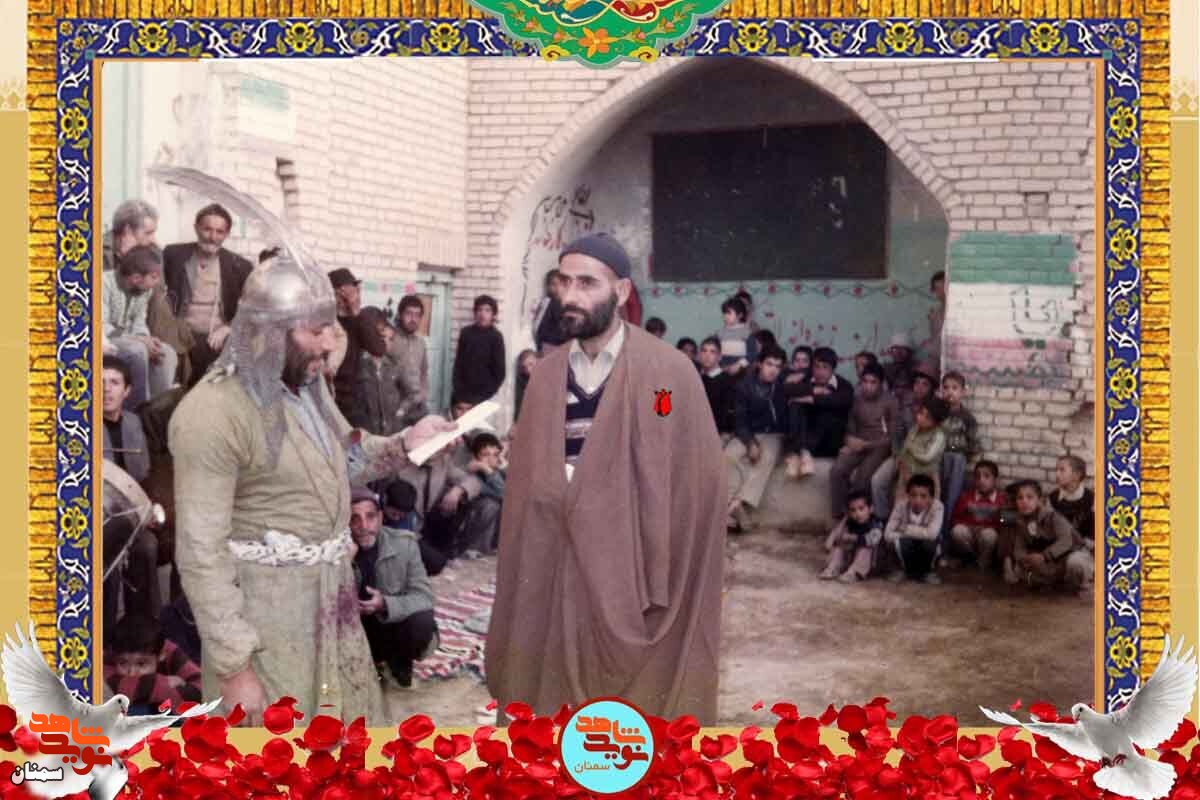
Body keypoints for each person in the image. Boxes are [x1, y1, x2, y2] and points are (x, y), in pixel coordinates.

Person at [170, 245, 456, 726]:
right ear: (267, 330)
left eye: (331, 328)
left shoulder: (307, 384)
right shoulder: (211, 414)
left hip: (332, 606)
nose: (329, 344)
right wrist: (235, 665)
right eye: (315, 329)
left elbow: (343, 458)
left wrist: (406, 443)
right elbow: (201, 552)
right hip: (265, 622)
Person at [487, 232, 726, 724]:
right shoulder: (546, 376)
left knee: (632, 710)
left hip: (630, 562)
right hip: (555, 559)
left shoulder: (666, 375)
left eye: (587, 283)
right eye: (564, 282)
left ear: (621, 291)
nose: (571, 296)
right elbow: (528, 481)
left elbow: (685, 465)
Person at [349, 488, 438, 690]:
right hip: (353, 632)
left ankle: (396, 662)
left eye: (370, 517)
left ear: (380, 517)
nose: (364, 526)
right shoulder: (334, 552)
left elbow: (424, 597)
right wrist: (345, 562)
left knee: (421, 620)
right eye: (354, 519)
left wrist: (384, 604)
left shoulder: (403, 544)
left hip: (389, 627)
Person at [162, 204, 254, 385]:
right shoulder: (173, 255)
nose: (212, 237)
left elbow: (251, 308)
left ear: (227, 234)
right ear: (196, 228)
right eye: (207, 229)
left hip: (215, 337)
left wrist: (228, 328)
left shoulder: (240, 266)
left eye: (220, 232)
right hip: (179, 333)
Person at [102, 245, 180, 409]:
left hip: (131, 339)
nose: (157, 282)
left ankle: (157, 410)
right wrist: (138, 340)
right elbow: (100, 325)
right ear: (136, 278)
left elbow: (139, 321)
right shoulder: (103, 283)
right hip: (104, 340)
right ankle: (137, 410)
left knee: (167, 353)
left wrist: (147, 339)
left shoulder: (144, 290)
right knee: (137, 351)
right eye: (154, 277)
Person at [725, 345, 789, 532]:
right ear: (759, 364)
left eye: (778, 366)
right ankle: (729, 506)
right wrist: (750, 443)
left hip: (773, 434)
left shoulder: (782, 386)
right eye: (769, 364)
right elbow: (740, 419)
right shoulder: (744, 387)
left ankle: (737, 503)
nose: (773, 370)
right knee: (728, 455)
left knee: (766, 457)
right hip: (748, 432)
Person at [828, 364, 897, 517]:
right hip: (858, 445)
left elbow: (892, 438)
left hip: (879, 447)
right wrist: (849, 440)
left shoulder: (890, 402)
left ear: (881, 383)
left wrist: (867, 445)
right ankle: (840, 515)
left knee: (862, 477)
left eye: (873, 382)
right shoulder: (857, 399)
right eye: (865, 381)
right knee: (836, 471)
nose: (868, 386)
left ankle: (860, 519)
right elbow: (849, 427)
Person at [1003, 480, 1093, 597]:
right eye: (1020, 498)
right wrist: (1024, 559)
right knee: (1021, 571)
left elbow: (1066, 541)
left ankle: (1087, 586)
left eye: (1030, 497)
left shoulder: (1052, 516)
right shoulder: (1021, 520)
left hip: (1073, 552)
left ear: (1039, 500)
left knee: (1075, 563)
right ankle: (1055, 584)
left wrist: (1044, 556)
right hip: (1052, 559)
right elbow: (1020, 546)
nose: (1024, 501)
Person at [104, 613, 203, 715]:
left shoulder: (167, 650)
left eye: (141, 664)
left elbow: (200, 690)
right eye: (123, 663)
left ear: (161, 655)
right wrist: (163, 684)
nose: (131, 673)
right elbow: (110, 688)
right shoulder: (108, 656)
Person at [782, 347, 854, 479]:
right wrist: (813, 390)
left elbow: (841, 400)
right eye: (816, 366)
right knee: (795, 405)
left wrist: (810, 399)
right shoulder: (807, 379)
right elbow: (786, 389)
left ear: (833, 369)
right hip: (807, 436)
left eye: (825, 367)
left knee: (827, 411)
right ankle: (802, 452)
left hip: (830, 441)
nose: (820, 372)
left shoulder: (844, 385)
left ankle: (799, 452)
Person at [348, 307, 406, 437]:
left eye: (391, 339)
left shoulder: (393, 367)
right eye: (382, 336)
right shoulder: (357, 365)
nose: (386, 342)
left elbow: (399, 402)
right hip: (367, 437)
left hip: (390, 436)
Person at [883, 474, 945, 584]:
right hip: (907, 545)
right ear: (907, 495)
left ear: (931, 498)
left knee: (931, 543)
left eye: (923, 496)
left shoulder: (937, 507)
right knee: (896, 543)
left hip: (926, 546)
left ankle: (927, 572)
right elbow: (887, 534)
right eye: (913, 495)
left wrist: (905, 529)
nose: (917, 500)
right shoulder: (901, 506)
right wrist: (915, 534)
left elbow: (932, 534)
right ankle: (904, 570)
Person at [947, 460, 1005, 570]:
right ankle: (969, 558)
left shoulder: (1001, 500)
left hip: (987, 539)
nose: (981, 480)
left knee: (989, 535)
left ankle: (984, 562)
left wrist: (997, 518)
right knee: (958, 531)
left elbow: (1005, 523)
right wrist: (970, 526)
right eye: (978, 476)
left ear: (995, 480)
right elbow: (955, 519)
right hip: (970, 538)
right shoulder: (966, 497)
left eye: (986, 476)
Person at [101, 356, 150, 483]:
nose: (106, 389)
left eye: (114, 382)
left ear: (127, 391)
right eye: (99, 382)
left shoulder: (134, 422)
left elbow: (143, 473)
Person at [452, 295, 507, 406]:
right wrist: (459, 390)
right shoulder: (466, 333)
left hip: (484, 396)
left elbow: (500, 372)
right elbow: (458, 364)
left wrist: (486, 394)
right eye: (479, 310)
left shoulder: (496, 337)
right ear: (475, 313)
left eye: (487, 310)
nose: (483, 314)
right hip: (463, 394)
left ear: (493, 314)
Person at [819, 490, 883, 583]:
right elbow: (835, 537)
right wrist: (845, 520)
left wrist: (853, 538)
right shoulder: (850, 522)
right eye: (853, 510)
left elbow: (873, 540)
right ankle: (833, 568)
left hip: (871, 561)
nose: (857, 513)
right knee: (839, 547)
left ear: (871, 508)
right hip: (853, 557)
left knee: (865, 548)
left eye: (861, 508)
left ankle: (854, 573)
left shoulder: (875, 523)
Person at [329, 267, 364, 418]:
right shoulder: (327, 322)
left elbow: (377, 348)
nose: (353, 296)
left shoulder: (357, 320)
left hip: (353, 399)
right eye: (347, 292)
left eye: (354, 290)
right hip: (331, 396)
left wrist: (355, 310)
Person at [391, 295, 430, 425]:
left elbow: (424, 372)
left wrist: (423, 395)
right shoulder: (390, 340)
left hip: (419, 408)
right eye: (409, 313)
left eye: (417, 315)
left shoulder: (421, 342)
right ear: (400, 314)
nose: (413, 319)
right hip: (397, 409)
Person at [1049, 455, 1095, 551]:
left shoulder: (1092, 499)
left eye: (1062, 470)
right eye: (1056, 470)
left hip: (1085, 549)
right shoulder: (1053, 498)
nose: (1057, 474)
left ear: (1076, 475)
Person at [697, 337, 736, 439]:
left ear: (719, 357)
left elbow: (728, 415)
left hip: (720, 434)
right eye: (704, 351)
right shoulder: (697, 379)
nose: (707, 355)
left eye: (712, 352)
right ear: (699, 355)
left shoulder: (728, 381)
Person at [717, 297, 756, 374]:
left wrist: (739, 365)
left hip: (742, 372)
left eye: (729, 313)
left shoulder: (747, 333)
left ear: (740, 315)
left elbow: (752, 354)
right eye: (724, 313)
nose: (725, 316)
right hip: (723, 372)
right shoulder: (719, 333)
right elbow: (716, 353)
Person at [534, 269, 568, 354]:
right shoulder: (548, 303)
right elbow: (538, 330)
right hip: (550, 348)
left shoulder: (567, 304)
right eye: (553, 284)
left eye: (561, 284)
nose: (558, 288)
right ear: (548, 287)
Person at [924, 271, 946, 370]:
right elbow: (934, 338)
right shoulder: (935, 313)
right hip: (938, 359)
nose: (942, 292)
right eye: (937, 289)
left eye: (944, 287)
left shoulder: (960, 310)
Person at [513, 349, 538, 423]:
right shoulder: (522, 383)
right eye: (525, 367)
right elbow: (519, 406)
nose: (529, 370)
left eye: (531, 364)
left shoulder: (549, 374)